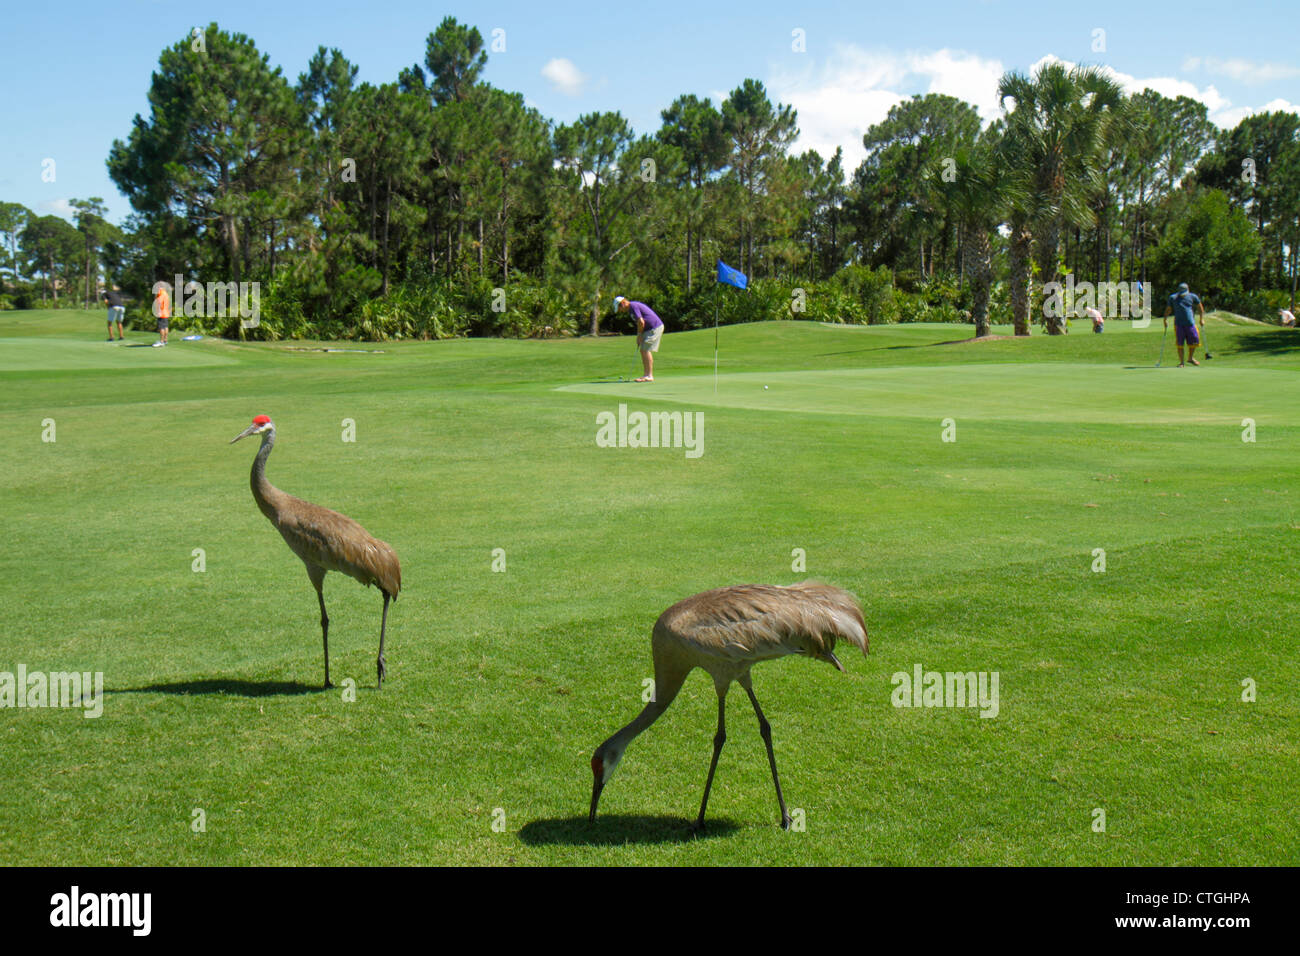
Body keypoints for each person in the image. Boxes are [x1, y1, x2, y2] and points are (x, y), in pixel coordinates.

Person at [615, 295, 663, 382]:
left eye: (620, 308)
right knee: (643, 350)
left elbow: (641, 321)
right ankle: (646, 375)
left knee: (645, 350)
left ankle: (649, 375)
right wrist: (640, 334)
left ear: (622, 303)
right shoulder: (631, 309)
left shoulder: (633, 306)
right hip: (649, 328)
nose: (621, 311)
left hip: (654, 327)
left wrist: (639, 335)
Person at [1163, 282, 1204, 367]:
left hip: (1190, 323)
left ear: (1188, 290)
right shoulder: (1173, 298)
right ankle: (1181, 362)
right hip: (1178, 324)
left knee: (1194, 340)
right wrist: (1165, 319)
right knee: (1180, 343)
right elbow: (1168, 309)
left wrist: (1201, 319)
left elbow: (1200, 307)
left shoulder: (1192, 296)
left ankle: (1190, 358)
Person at [152, 281, 171, 347]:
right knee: (165, 326)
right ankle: (165, 340)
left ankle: (161, 341)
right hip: (166, 312)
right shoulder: (165, 293)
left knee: (161, 327)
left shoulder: (160, 293)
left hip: (161, 313)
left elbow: (159, 302)